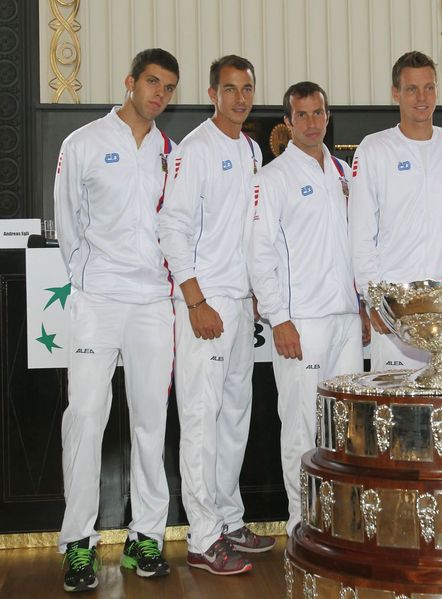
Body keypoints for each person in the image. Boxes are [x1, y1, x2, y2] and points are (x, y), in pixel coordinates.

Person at [54, 48, 179, 592]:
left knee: (151, 420)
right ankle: (77, 542)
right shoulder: (82, 142)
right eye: (153, 82)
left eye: (169, 87)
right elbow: (67, 221)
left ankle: (144, 536)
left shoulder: (170, 152)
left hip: (153, 303)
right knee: (85, 417)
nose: (160, 94)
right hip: (98, 301)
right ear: (130, 82)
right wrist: (88, 277)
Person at [159, 55, 275, 576]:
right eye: (230, 89)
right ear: (212, 93)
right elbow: (172, 227)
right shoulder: (195, 148)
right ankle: (203, 536)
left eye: (247, 88)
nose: (240, 97)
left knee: (234, 416)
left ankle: (228, 518)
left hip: (239, 302)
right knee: (201, 420)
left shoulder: (251, 149)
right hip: (203, 305)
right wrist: (196, 299)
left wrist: (251, 296)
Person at [248, 81, 367, 536]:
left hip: (344, 320)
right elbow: (259, 254)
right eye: (303, 115)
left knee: (349, 427)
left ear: (327, 116)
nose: (313, 123)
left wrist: (361, 307)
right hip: (301, 323)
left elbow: (356, 245)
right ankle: (303, 523)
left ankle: (344, 520)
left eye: (319, 113)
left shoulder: (344, 173)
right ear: (288, 123)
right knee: (299, 428)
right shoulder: (272, 178)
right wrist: (279, 319)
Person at [349, 51, 442, 371]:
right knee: (398, 417)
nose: (421, 98)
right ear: (396, 92)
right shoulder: (374, 148)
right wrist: (375, 301)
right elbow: (361, 234)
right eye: (412, 89)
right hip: (397, 310)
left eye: (429, 88)